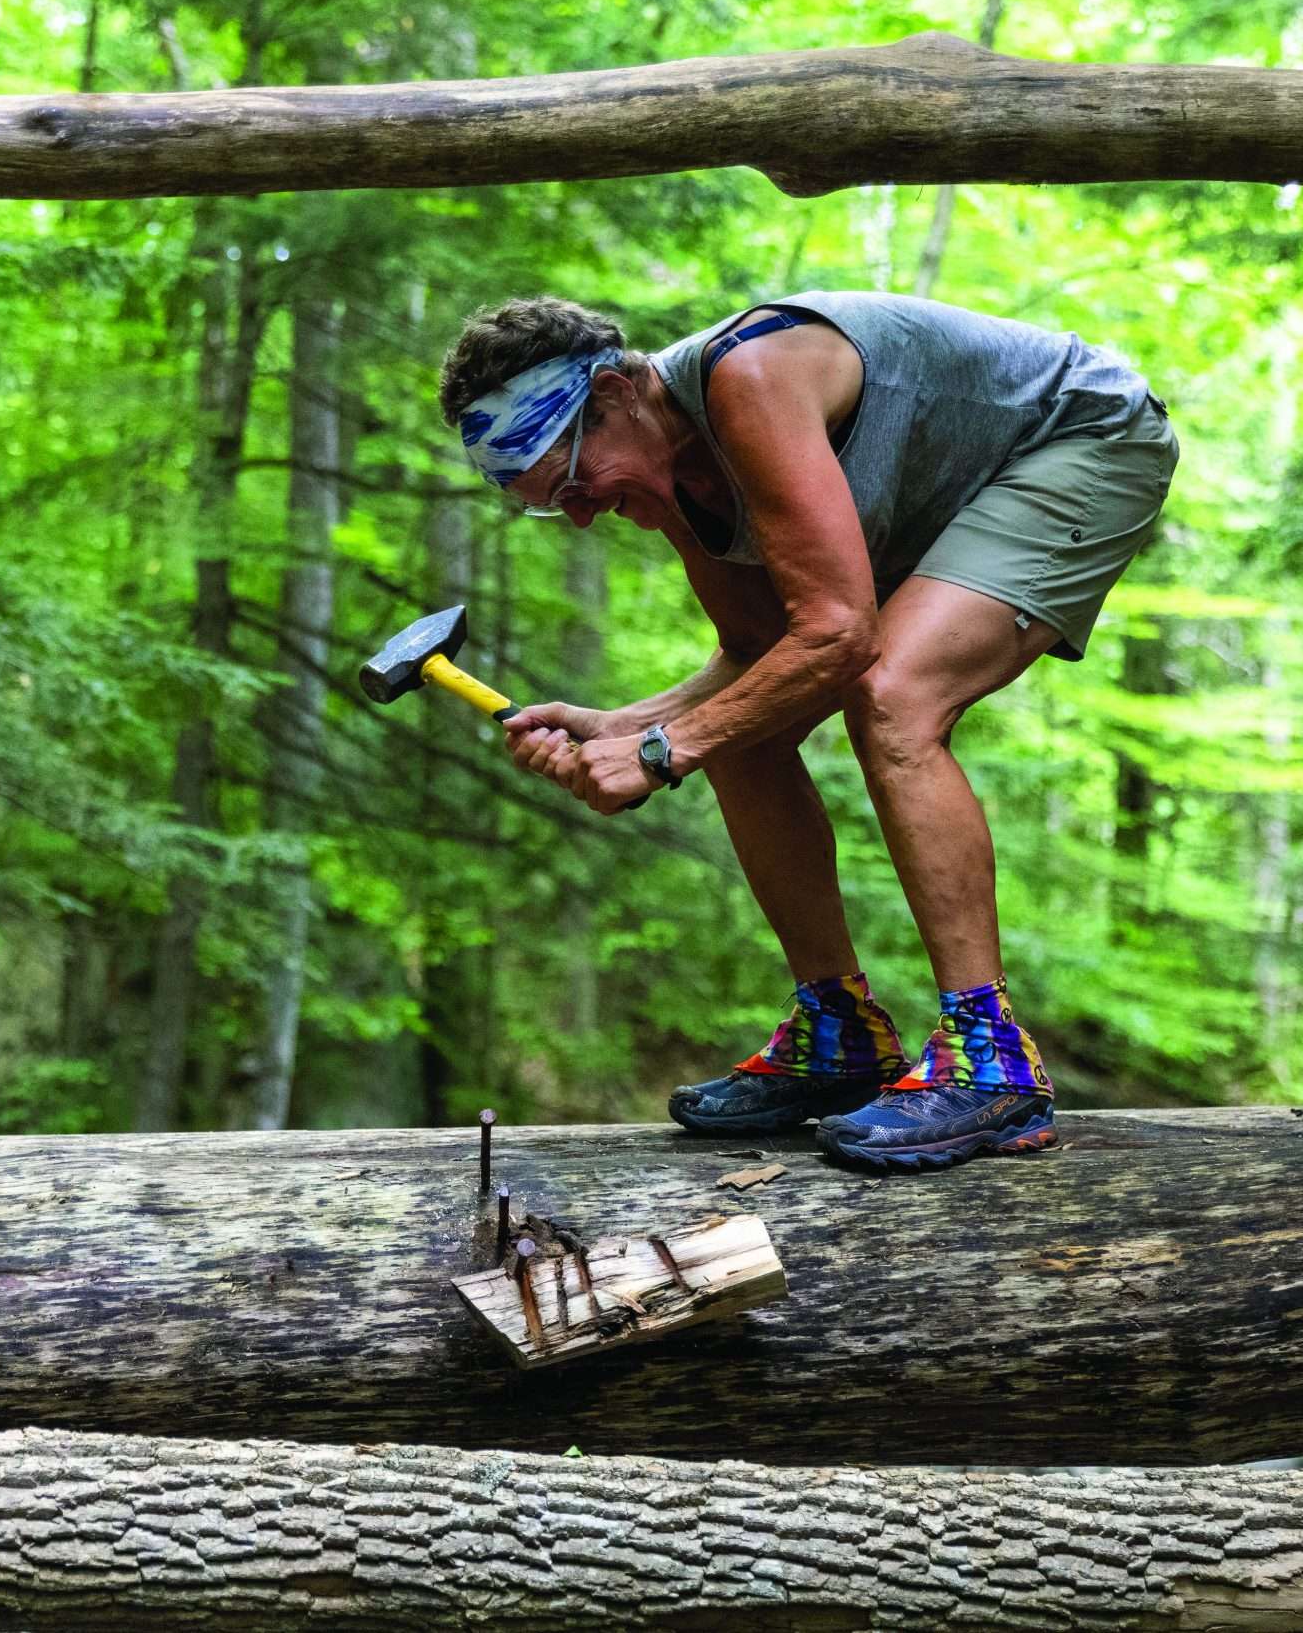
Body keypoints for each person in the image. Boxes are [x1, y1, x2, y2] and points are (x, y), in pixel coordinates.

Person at [437, 291, 1179, 1171]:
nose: (587, 514)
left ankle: (992, 1063)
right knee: (742, 729)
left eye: (572, 482)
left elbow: (837, 636)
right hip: (948, 488)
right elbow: (757, 654)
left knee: (891, 694)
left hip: (1078, 438)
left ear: (612, 398)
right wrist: (628, 723)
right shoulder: (671, 469)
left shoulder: (749, 379)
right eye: (552, 506)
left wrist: (659, 752)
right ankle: (841, 1033)